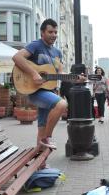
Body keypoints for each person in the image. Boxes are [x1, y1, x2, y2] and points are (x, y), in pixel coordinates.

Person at [12, 18, 79, 150]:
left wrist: (76, 79)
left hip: (49, 90)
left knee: (42, 127)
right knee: (62, 104)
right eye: (50, 32)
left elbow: (60, 74)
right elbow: (17, 57)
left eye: (55, 32)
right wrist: (34, 73)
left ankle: (40, 164)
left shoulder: (57, 53)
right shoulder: (36, 45)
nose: (54, 35)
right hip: (35, 91)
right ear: (42, 32)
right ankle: (47, 137)